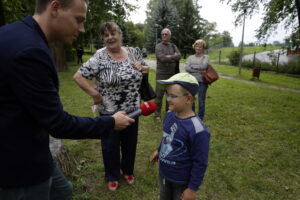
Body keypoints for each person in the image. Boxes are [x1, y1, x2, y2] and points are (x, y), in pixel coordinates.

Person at [0, 0, 134, 199]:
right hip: (18, 167)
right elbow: (58, 123)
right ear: (55, 8)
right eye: (78, 20)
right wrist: (111, 122)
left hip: (33, 148)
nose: (81, 29)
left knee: (63, 192)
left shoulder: (14, 33)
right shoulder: (30, 51)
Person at [73, 21, 149, 191]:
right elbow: (78, 76)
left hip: (133, 109)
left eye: (113, 33)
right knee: (110, 146)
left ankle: (127, 170)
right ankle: (112, 175)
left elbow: (145, 70)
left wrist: (142, 67)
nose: (110, 37)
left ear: (120, 35)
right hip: (109, 113)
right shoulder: (99, 56)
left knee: (130, 143)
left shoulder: (134, 52)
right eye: (106, 35)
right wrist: (95, 95)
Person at [150, 73, 210, 200]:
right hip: (164, 174)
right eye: (167, 94)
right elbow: (167, 137)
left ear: (188, 99)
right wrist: (159, 150)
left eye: (173, 96)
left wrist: (192, 189)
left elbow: (200, 162)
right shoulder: (170, 115)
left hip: (182, 181)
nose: (168, 99)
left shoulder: (198, 130)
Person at [154, 28, 181, 120]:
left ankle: (168, 113)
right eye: (163, 34)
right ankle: (157, 114)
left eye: (166, 34)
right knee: (159, 95)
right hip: (161, 74)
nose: (164, 36)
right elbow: (162, 58)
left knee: (169, 95)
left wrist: (169, 57)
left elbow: (179, 55)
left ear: (170, 36)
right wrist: (173, 57)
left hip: (172, 75)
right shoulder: (158, 46)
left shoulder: (173, 46)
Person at [185, 39, 209, 120]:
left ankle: (200, 117)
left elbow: (204, 66)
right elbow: (187, 68)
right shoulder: (190, 57)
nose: (198, 48)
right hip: (192, 81)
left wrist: (193, 66)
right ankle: (192, 115)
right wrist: (199, 69)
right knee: (191, 99)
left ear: (203, 48)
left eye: (200, 47)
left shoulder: (206, 57)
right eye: (197, 46)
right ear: (194, 47)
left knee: (201, 100)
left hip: (202, 82)